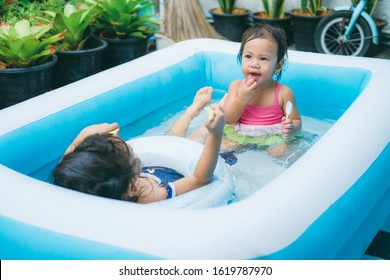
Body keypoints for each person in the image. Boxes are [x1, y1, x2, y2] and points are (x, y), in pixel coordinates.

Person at [53, 87, 226, 203]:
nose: (133, 148)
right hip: (177, 176)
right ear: (132, 186)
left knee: (170, 139)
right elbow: (200, 179)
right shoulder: (148, 196)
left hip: (157, 169)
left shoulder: (78, 182)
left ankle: (191, 112)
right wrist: (215, 133)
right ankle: (219, 118)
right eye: (130, 152)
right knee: (221, 142)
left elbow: (66, 165)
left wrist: (88, 134)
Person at [220, 24, 302, 156]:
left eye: (263, 58)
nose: (254, 64)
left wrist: (292, 128)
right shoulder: (235, 86)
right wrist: (242, 99)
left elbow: (296, 119)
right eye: (248, 56)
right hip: (240, 134)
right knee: (225, 146)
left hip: (272, 136)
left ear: (278, 66)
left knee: (280, 152)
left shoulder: (283, 93)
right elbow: (229, 119)